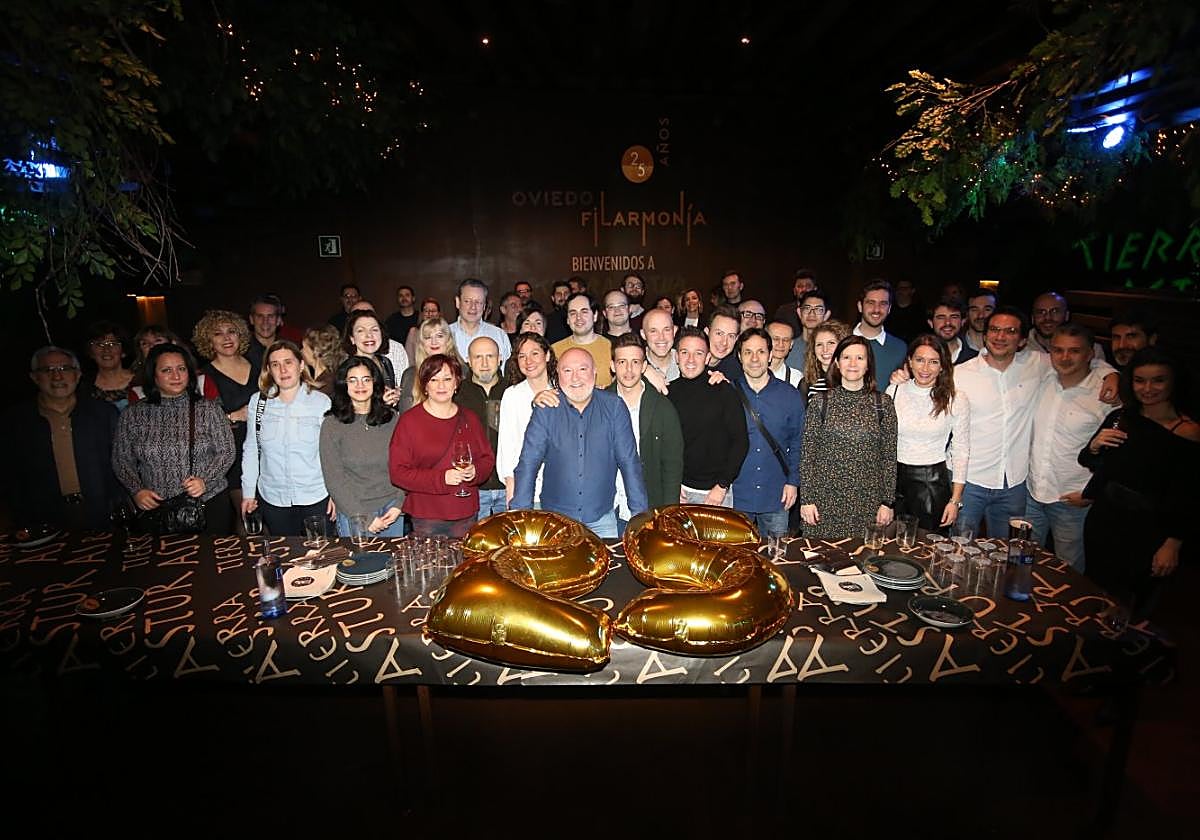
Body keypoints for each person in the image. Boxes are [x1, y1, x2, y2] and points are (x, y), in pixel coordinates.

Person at [951, 306, 1117, 538]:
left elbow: (1084, 359)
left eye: (1010, 331)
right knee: (959, 546)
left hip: (1015, 484)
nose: (1001, 337)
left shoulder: (1038, 364)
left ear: (1021, 340)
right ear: (985, 335)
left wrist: (1111, 374)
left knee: (1006, 552)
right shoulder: (959, 374)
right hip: (969, 481)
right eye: (995, 330)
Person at [1080, 347, 1199, 619]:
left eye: (1158, 380)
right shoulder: (1121, 418)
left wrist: (1173, 544)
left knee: (1133, 605)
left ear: (1174, 382)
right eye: (1139, 380)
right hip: (1105, 519)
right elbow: (1090, 461)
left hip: (1148, 529)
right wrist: (1095, 447)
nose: (1147, 388)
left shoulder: (1187, 431)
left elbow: (1187, 495)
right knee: (1095, 593)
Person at [511, 348, 647, 538]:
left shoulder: (614, 407)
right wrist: (520, 517)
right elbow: (528, 464)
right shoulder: (546, 410)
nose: (575, 378)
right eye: (567, 371)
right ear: (558, 375)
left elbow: (629, 463)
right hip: (555, 520)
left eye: (582, 369)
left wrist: (639, 518)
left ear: (594, 372)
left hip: (602, 519)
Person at [113, 343, 236, 534]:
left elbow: (226, 451)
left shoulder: (209, 409)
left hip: (207, 503)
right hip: (156, 507)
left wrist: (205, 480)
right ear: (153, 375)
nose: (176, 376)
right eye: (166, 370)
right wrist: (136, 490)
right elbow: (121, 459)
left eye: (181, 369)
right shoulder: (133, 414)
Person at [1024, 324, 1110, 572]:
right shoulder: (1043, 380)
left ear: (1090, 354)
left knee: (1068, 567)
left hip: (1072, 497)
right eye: (1058, 350)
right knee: (1026, 561)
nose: (1064, 357)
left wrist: (1092, 491)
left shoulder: (1104, 395)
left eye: (1074, 351)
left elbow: (1117, 455)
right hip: (1032, 491)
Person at [6, 346, 120, 531]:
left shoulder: (103, 413)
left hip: (103, 515)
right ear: (34, 377)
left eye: (65, 369)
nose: (57, 377)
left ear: (77, 374)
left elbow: (121, 463)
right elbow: (11, 478)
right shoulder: (16, 422)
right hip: (44, 519)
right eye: (47, 370)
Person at [799, 335, 898, 539]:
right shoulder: (820, 402)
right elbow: (808, 454)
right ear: (837, 362)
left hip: (868, 504)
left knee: (863, 563)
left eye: (860, 358)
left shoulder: (883, 404)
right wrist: (806, 500)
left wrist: (887, 502)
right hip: (824, 503)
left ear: (868, 364)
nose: (853, 364)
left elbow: (889, 456)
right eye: (846, 357)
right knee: (820, 564)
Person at [389, 354, 494, 538]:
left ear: (456, 383)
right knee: (429, 567)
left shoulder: (469, 418)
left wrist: (475, 472)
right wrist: (441, 478)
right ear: (425, 385)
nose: (441, 385)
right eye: (434, 379)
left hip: (466, 511)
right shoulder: (410, 421)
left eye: (447, 379)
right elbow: (398, 473)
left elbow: (486, 459)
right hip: (427, 515)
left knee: (465, 565)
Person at [241, 341, 333, 536]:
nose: (282, 369)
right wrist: (248, 493)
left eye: (288, 362)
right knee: (286, 556)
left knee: (321, 557)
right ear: (268, 370)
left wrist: (336, 494)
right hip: (274, 498)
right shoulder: (258, 402)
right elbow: (251, 448)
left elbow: (333, 452)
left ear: (301, 365)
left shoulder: (320, 402)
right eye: (275, 364)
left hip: (315, 496)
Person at [887, 335, 969, 532]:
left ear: (942, 366)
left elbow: (961, 451)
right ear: (909, 362)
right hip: (894, 481)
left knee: (928, 549)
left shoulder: (955, 398)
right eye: (920, 360)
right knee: (892, 547)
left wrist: (955, 501)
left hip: (931, 482)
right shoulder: (894, 391)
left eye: (933, 362)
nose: (925, 368)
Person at [730, 329, 805, 537]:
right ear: (739, 356)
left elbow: (798, 443)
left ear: (770, 355)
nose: (755, 359)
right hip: (737, 494)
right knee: (737, 559)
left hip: (776, 493)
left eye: (761, 352)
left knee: (775, 558)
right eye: (748, 352)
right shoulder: (728, 393)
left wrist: (793, 482)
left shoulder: (789, 395)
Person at [320, 357, 405, 538]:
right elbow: (334, 479)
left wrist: (399, 504)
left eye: (366, 379)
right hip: (354, 511)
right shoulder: (331, 425)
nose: (360, 385)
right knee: (359, 565)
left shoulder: (393, 419)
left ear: (375, 383)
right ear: (344, 384)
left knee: (392, 565)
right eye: (353, 380)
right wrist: (363, 517)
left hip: (392, 509)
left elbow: (406, 465)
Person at [607, 334, 684, 525]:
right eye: (622, 362)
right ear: (612, 365)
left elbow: (673, 465)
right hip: (608, 508)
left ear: (644, 366)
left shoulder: (662, 407)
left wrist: (668, 515)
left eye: (635, 362)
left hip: (649, 508)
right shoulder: (600, 403)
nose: (628, 369)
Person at [667, 328, 749, 507]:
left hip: (716, 493)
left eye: (698, 353)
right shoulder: (668, 392)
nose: (690, 360)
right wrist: (672, 482)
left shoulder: (723, 390)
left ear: (707, 358)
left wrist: (722, 486)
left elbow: (740, 442)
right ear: (676, 357)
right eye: (684, 352)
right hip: (679, 492)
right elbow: (662, 444)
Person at [193, 310, 259, 528]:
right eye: (218, 333)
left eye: (232, 331)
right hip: (231, 453)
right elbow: (198, 421)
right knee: (247, 517)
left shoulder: (260, 366)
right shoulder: (203, 377)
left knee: (269, 516)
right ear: (208, 340)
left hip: (266, 448)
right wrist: (233, 416)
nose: (227, 338)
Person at [497, 333, 556, 506]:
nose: (528, 361)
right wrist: (511, 489)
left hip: (560, 489)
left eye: (534, 353)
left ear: (547, 355)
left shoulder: (564, 389)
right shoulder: (512, 394)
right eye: (522, 356)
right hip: (525, 489)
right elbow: (507, 446)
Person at [454, 336, 509, 519]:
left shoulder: (513, 391)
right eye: (478, 357)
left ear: (500, 358)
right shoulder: (456, 394)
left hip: (508, 487)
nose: (484, 363)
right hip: (472, 488)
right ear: (468, 360)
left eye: (490, 356)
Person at [343, 310, 407, 408]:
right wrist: (381, 404)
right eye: (361, 330)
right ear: (352, 338)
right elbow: (347, 407)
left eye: (374, 330)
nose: (369, 335)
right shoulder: (348, 368)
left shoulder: (385, 362)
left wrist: (396, 396)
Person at [399, 317, 462, 412]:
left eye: (439, 336)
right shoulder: (410, 375)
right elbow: (406, 413)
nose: (434, 342)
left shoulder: (462, 371)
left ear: (448, 340)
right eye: (428, 337)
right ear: (421, 343)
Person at [853, 280, 906, 391]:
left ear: (889, 309)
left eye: (883, 304)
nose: (876, 309)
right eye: (871, 303)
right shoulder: (840, 341)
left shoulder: (899, 347)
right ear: (860, 306)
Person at [552, 292, 613, 387]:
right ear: (567, 319)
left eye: (584, 312)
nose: (578, 318)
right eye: (573, 313)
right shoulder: (555, 350)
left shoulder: (610, 346)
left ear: (595, 315)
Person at [449, 278, 512, 364]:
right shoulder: (445, 335)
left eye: (478, 302)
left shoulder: (499, 335)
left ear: (484, 306)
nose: (473, 307)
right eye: (467, 301)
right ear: (457, 302)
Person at [1027, 291, 1103, 360]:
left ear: (1067, 315)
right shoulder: (1020, 347)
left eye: (1054, 311)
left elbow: (1103, 372)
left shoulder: (1089, 349)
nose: (1048, 317)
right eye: (1041, 312)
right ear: (1033, 318)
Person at [83, 321, 134, 411]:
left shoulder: (141, 381)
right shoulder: (83, 386)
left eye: (112, 344)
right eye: (99, 344)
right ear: (91, 352)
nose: (106, 350)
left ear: (123, 351)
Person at [785, 288, 834, 371]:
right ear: (799, 313)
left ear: (826, 315)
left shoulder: (831, 350)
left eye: (818, 309)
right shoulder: (787, 348)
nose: (812, 313)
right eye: (807, 308)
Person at [802, 319, 851, 400]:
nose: (825, 349)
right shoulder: (806, 383)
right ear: (813, 350)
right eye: (819, 344)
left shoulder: (853, 378)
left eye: (831, 343)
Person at [928, 297, 978, 365]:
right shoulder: (920, 357)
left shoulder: (976, 359)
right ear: (930, 323)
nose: (947, 322)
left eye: (954, 317)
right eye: (941, 318)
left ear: (963, 321)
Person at [246, 293, 284, 376]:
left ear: (278, 320)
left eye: (270, 316)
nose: (265, 322)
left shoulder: (289, 349)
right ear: (251, 320)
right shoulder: (242, 353)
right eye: (260, 316)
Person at [302, 324, 345, 397]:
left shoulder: (325, 386)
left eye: (304, 347)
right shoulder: (332, 377)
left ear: (316, 351)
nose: (301, 351)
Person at [640, 307, 679, 388]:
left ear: (674, 331)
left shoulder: (687, 362)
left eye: (666, 330)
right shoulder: (634, 366)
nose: (661, 337)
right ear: (643, 334)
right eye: (653, 331)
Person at [773, 268, 817, 334]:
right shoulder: (784, 312)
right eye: (800, 286)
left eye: (808, 286)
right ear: (794, 291)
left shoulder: (822, 310)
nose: (804, 289)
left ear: (815, 289)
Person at [706, 305, 742, 379]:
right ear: (707, 332)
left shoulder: (735, 371)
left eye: (731, 336)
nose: (724, 342)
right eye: (719, 333)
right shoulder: (689, 362)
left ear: (736, 339)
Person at [886, 278, 926, 342]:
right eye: (899, 288)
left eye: (905, 288)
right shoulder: (888, 311)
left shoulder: (919, 313)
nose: (901, 291)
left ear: (912, 290)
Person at [766, 320, 803, 387]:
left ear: (791, 344)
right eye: (776, 339)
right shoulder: (752, 372)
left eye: (785, 340)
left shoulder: (797, 378)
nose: (780, 344)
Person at [384, 285, 419, 350]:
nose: (404, 298)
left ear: (413, 298)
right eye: (401, 296)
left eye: (407, 295)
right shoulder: (391, 320)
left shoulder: (420, 317)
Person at [963, 286, 996, 352]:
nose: (981, 315)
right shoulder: (956, 346)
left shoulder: (1004, 346)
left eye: (987, 309)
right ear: (967, 313)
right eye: (974, 310)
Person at [545, 279, 572, 344]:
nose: (563, 297)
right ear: (553, 298)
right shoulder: (546, 320)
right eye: (559, 294)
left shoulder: (577, 318)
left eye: (566, 293)